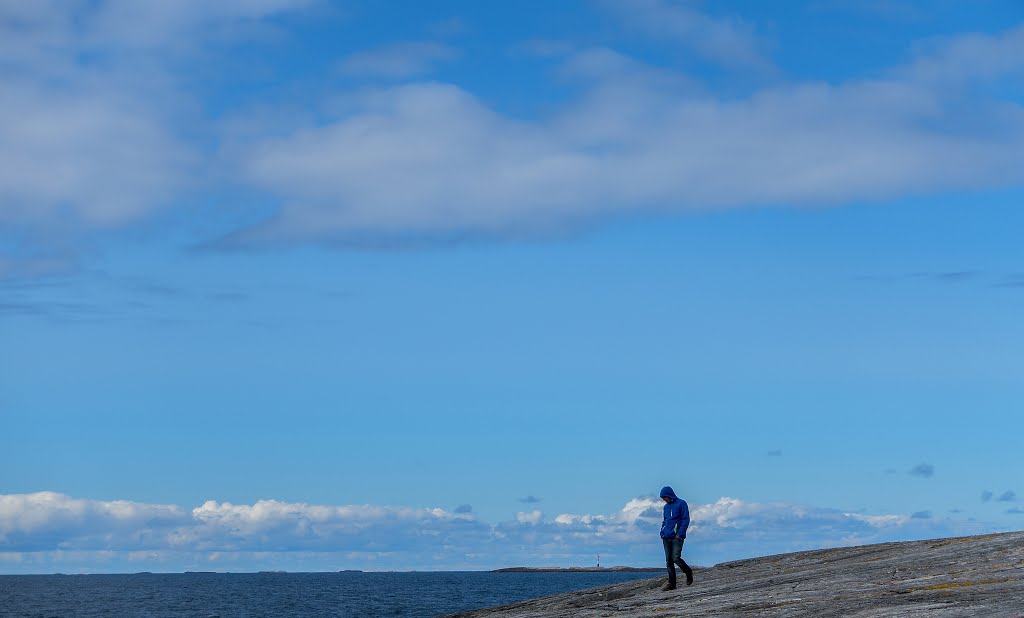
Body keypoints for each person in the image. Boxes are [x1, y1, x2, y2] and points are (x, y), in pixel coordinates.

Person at [659, 485, 694, 590]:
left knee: (675, 558)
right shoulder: (665, 507)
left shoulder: (681, 503)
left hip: (677, 536)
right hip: (666, 536)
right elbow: (665, 521)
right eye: (662, 498)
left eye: (665, 497)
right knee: (668, 561)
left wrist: (680, 534)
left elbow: (685, 519)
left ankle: (688, 572)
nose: (664, 500)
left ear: (669, 495)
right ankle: (672, 584)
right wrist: (662, 532)